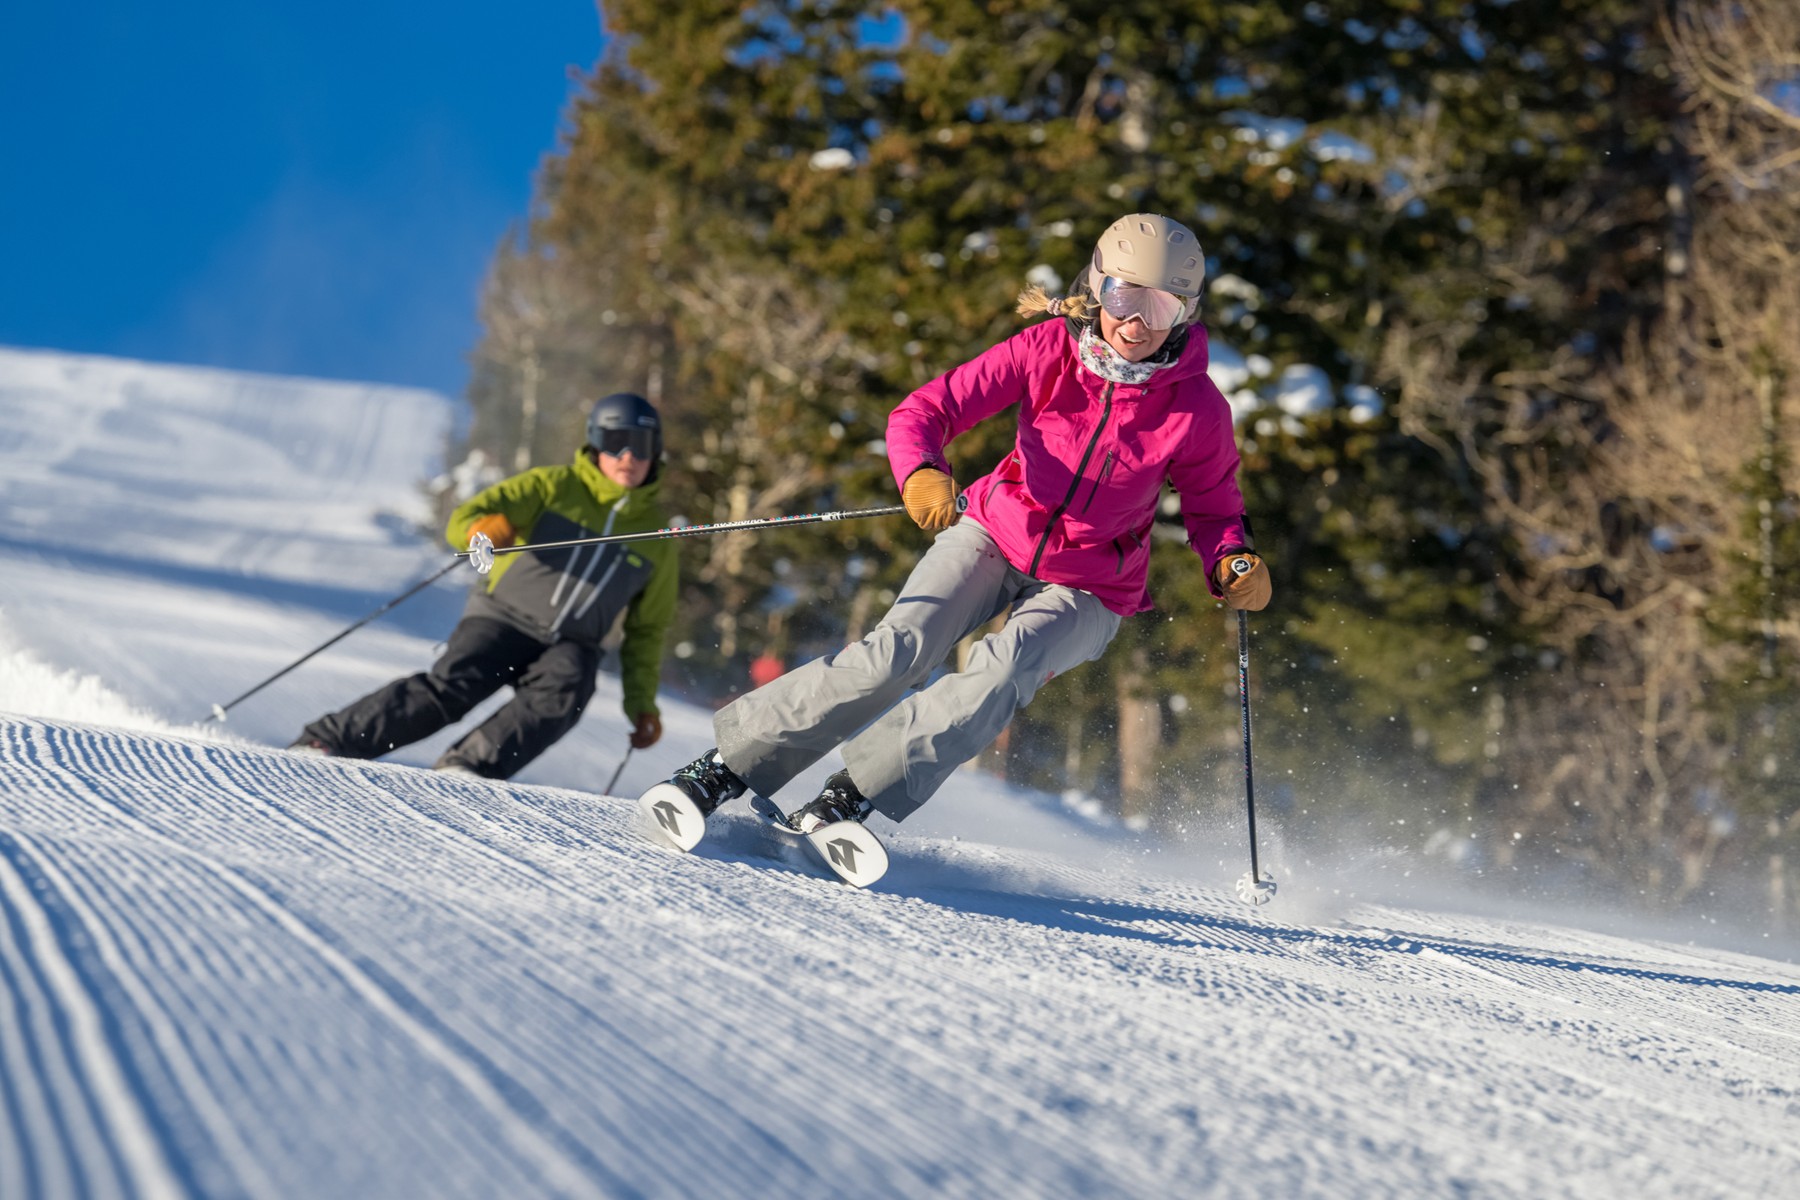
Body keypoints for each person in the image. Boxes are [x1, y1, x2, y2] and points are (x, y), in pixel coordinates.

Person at [644, 212, 1270, 831]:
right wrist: (920, 470)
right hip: (995, 531)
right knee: (895, 653)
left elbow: (1213, 505)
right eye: (1122, 295)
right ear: (1095, 284)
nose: (1135, 322)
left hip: (1092, 584)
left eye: (1159, 307)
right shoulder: (1046, 349)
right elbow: (927, 410)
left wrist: (1230, 560)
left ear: (1186, 313)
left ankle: (848, 797)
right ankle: (725, 766)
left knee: (1003, 669)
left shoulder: (1197, 409)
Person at [291, 393, 679, 779]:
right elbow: (467, 517)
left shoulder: (656, 536)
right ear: (596, 444)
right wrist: (482, 531)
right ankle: (331, 740)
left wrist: (641, 703)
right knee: (454, 687)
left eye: (641, 445)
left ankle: (470, 765)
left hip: (571, 644)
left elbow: (647, 630)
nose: (628, 456)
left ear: (655, 451)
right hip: (503, 618)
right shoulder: (554, 486)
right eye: (616, 442)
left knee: (569, 687)